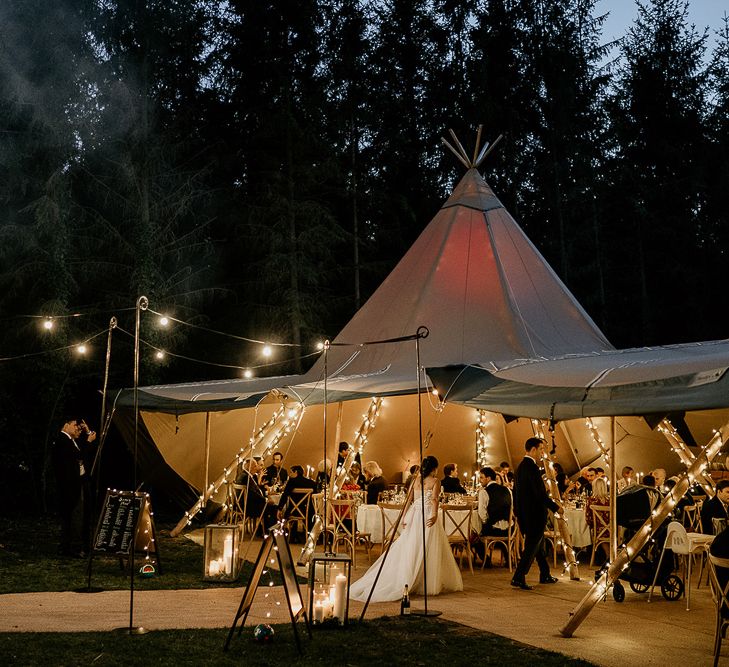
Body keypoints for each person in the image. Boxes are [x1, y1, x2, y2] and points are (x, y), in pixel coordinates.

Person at [349, 455, 463, 602]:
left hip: (414, 514)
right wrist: (434, 515)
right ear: (434, 468)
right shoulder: (435, 481)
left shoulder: (415, 480)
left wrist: (404, 517)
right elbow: (434, 500)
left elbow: (408, 500)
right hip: (427, 514)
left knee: (412, 545)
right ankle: (423, 580)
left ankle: (413, 576)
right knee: (428, 547)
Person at [511, 437, 559, 590]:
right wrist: (556, 507)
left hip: (525, 514)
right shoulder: (531, 468)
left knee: (539, 545)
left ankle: (545, 573)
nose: (542, 453)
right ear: (533, 449)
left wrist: (518, 513)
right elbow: (540, 494)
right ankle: (518, 576)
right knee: (532, 546)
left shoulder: (520, 467)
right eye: (541, 449)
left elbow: (516, 492)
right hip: (534, 514)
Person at [51, 417, 97, 557]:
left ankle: (69, 547)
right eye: (75, 425)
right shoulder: (62, 440)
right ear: (66, 425)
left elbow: (85, 452)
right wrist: (88, 441)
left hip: (78, 483)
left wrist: (88, 433)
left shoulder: (71, 441)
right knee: (75, 516)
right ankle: (74, 548)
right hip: (70, 485)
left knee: (75, 516)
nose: (78, 428)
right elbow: (78, 455)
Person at [474, 467, 512, 564]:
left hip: (493, 529)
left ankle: (486, 561)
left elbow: (482, 514)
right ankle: (509, 559)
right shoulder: (507, 490)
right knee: (499, 531)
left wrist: (486, 523)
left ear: (488, 478)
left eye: (482, 478)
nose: (480, 480)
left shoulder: (484, 492)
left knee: (473, 536)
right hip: (509, 530)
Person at [277, 465, 317, 541]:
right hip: (308, 511)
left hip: (294, 511)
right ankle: (309, 536)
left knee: (289, 508)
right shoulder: (312, 483)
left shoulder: (291, 482)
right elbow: (315, 496)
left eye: (291, 472)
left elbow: (285, 495)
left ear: (296, 472)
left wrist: (280, 508)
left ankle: (292, 536)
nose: (289, 474)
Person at [235, 457, 277, 528]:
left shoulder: (243, 475)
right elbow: (252, 494)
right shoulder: (247, 478)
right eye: (255, 466)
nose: (256, 468)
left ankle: (262, 529)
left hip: (242, 505)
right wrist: (265, 500)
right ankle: (267, 531)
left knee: (270, 506)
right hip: (248, 507)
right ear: (249, 467)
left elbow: (255, 491)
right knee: (274, 508)